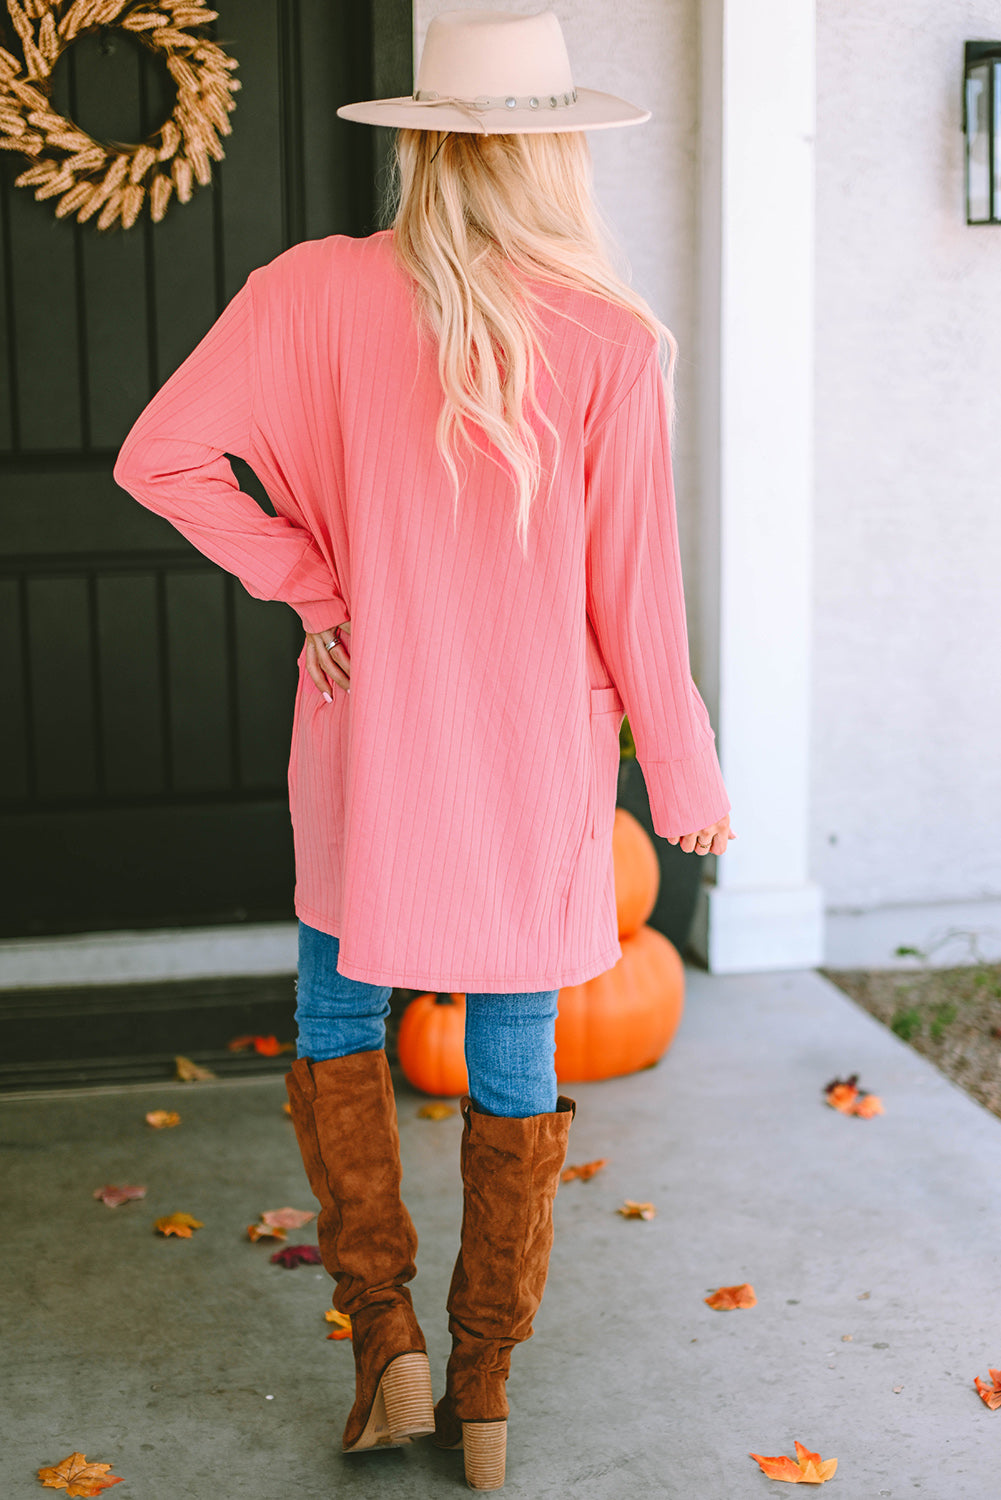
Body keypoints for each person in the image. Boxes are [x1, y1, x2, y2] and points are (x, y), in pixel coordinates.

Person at [113, 8, 735, 1490]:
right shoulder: (608, 337)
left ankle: (379, 1339)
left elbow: (158, 458)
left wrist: (313, 586)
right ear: (554, 154)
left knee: (340, 1011)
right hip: (534, 750)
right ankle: (486, 1392)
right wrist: (687, 771)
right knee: (516, 1033)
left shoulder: (313, 292)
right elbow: (633, 596)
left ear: (422, 145)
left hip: (366, 726)